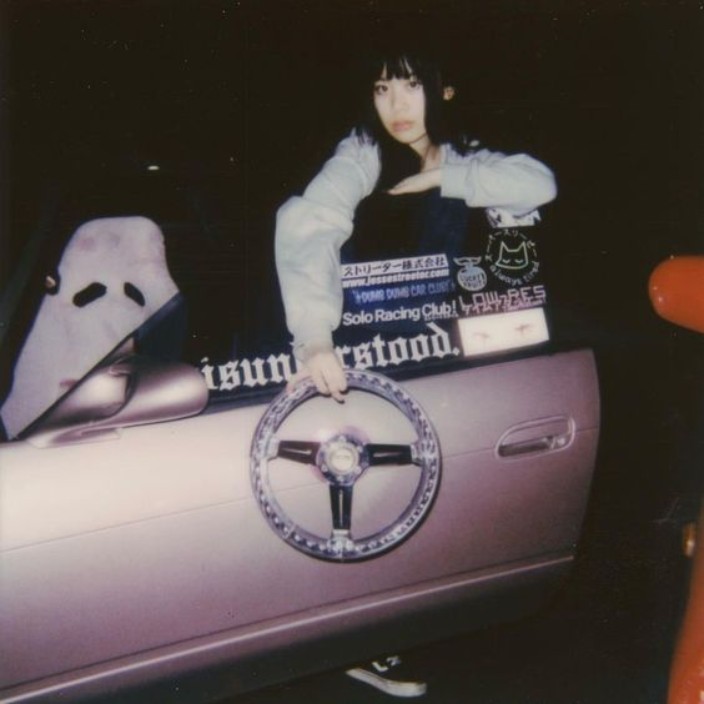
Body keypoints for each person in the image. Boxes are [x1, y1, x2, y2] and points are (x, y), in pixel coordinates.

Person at [274, 48, 557, 697]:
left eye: (410, 86)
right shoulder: (362, 153)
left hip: (432, 347)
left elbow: (538, 184)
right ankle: (357, 644)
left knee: (425, 498)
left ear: (444, 90)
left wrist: (441, 179)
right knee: (358, 500)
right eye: (382, 89)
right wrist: (314, 339)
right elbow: (307, 227)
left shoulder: (462, 153)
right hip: (354, 348)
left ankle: (396, 627)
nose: (397, 106)